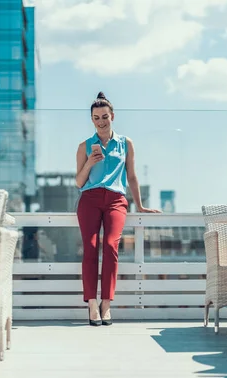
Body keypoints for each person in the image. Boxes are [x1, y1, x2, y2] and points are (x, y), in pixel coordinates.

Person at [75, 91, 160, 326]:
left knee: (111, 245)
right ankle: (91, 303)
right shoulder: (84, 146)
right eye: (96, 118)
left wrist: (140, 205)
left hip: (115, 200)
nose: (101, 122)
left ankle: (106, 303)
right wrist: (90, 163)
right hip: (89, 199)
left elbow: (131, 176)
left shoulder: (125, 143)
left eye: (104, 117)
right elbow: (79, 182)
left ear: (112, 116)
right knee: (91, 247)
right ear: (91, 120)